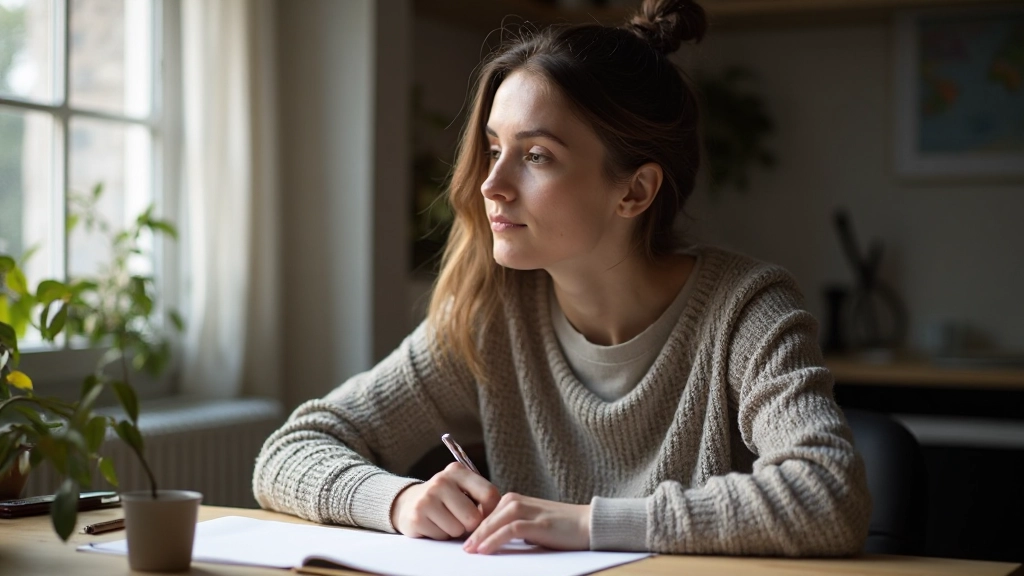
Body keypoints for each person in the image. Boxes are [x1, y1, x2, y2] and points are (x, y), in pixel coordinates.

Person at [253, 0, 871, 556]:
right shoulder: (490, 318)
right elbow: (289, 452)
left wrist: (586, 524)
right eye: (494, 149)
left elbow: (828, 495)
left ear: (635, 191)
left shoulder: (747, 311)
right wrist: (397, 501)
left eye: (536, 155)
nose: (491, 184)